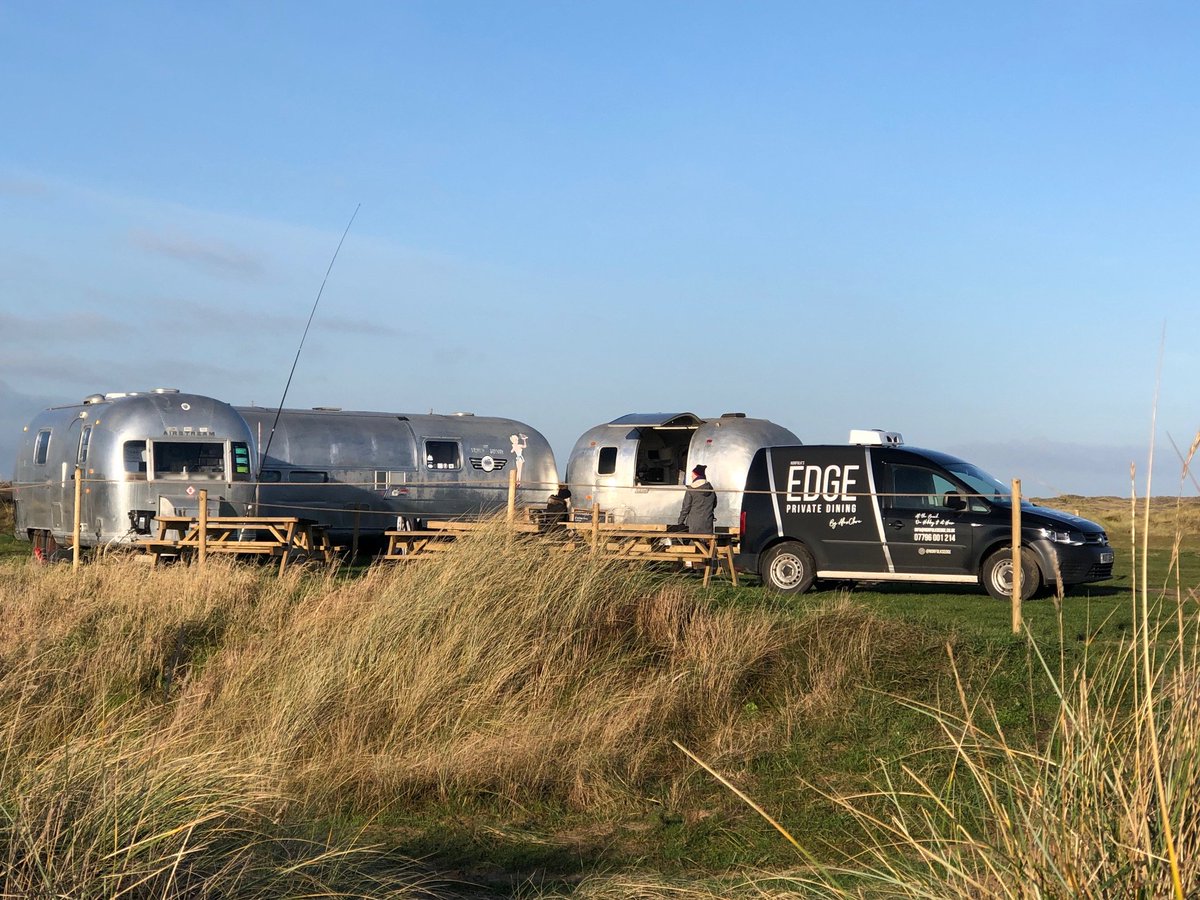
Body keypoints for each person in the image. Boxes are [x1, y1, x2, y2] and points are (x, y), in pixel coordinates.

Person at [677, 464, 716, 534]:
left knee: (692, 543)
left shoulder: (691, 489)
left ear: (697, 476)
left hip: (693, 526)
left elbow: (686, 508)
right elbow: (714, 504)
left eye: (693, 474)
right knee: (706, 544)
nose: (691, 476)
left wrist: (680, 522)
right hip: (707, 525)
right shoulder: (711, 489)